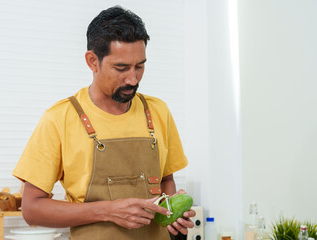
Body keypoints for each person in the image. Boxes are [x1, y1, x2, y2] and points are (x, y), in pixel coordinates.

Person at [13, 6, 195, 240]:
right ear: (92, 61)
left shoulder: (158, 111)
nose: (133, 79)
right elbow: (32, 209)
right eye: (121, 68)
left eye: (139, 66)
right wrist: (108, 211)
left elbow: (165, 180)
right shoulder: (60, 118)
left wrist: (173, 214)